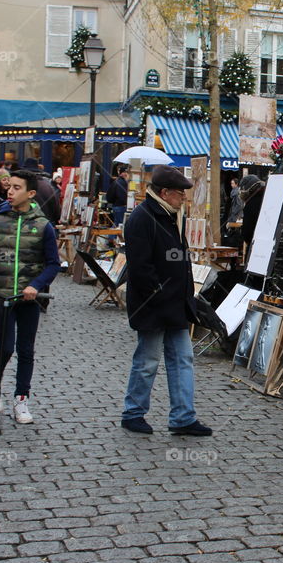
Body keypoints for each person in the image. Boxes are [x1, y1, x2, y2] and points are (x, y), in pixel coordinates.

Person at [120, 165, 212, 436]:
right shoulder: (143, 217)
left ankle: (183, 417)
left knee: (183, 359)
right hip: (154, 305)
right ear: (165, 193)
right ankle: (133, 413)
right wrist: (160, 294)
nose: (184, 197)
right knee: (148, 361)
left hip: (175, 304)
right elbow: (141, 267)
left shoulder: (168, 214)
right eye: (180, 193)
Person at [0, 170, 60, 424]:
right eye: (9, 187)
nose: (10, 191)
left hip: (28, 298)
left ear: (30, 194)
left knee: (26, 350)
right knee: (5, 347)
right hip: (1, 294)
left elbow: (53, 264)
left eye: (17, 188)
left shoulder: (44, 227)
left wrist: (37, 285)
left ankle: (21, 399)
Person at [22, 158, 60, 223]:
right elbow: (56, 208)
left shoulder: (25, 185)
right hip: (46, 222)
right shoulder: (47, 185)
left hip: (29, 223)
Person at [239, 174, 265, 264]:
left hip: (255, 249)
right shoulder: (267, 198)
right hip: (271, 247)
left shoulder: (250, 204)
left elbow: (247, 233)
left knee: (253, 276)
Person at [223, 177, 243, 249]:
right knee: (232, 229)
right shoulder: (234, 193)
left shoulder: (237, 193)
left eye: (232, 183)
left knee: (234, 230)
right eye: (231, 183)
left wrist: (234, 213)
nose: (231, 185)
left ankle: (234, 245)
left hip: (236, 216)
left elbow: (239, 205)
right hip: (234, 215)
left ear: (236, 184)